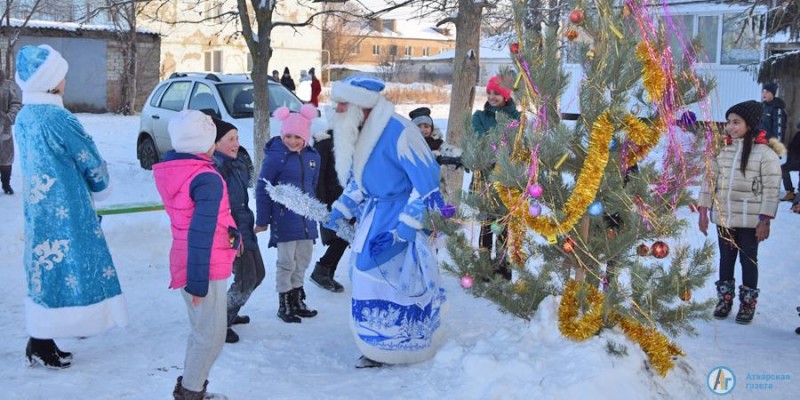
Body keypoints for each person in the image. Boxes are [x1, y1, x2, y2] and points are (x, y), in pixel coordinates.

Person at [13, 44, 128, 369]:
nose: (66, 80)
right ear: (51, 80)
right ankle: (43, 339)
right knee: (75, 265)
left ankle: (41, 339)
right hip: (67, 204)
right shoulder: (59, 118)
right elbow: (88, 157)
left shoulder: (25, 116)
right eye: (62, 75)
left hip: (38, 206)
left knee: (45, 268)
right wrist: (101, 185)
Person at [324, 75, 447, 368]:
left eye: (343, 104)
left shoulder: (401, 132)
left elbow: (427, 185)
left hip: (400, 214)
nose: (337, 111)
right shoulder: (360, 130)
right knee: (363, 272)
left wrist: (406, 227)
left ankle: (403, 342)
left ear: (361, 106)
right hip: (375, 213)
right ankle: (376, 343)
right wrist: (343, 207)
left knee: (389, 275)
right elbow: (360, 179)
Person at [152, 110, 239, 399]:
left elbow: (205, 221)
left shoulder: (177, 169)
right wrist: (198, 281)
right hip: (202, 266)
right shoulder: (205, 178)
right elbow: (200, 233)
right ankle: (191, 392)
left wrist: (232, 234)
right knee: (211, 337)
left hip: (190, 259)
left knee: (202, 332)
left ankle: (191, 387)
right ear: (205, 144)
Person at [698, 100, 782, 325]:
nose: (730, 127)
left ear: (750, 124)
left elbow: (772, 188)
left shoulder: (765, 154)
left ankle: (747, 303)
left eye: (736, 122)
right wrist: (704, 211)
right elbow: (709, 182)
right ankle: (725, 300)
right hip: (724, 218)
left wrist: (765, 220)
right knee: (726, 260)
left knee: (748, 260)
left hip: (750, 221)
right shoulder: (723, 151)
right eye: (728, 122)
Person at [255, 104, 320, 323]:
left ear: (306, 136)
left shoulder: (313, 157)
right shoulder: (276, 157)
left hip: (307, 218)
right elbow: (263, 188)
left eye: (297, 136)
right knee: (286, 262)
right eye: (288, 136)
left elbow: (313, 184)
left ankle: (297, 298)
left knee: (303, 259)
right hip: (284, 218)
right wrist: (263, 220)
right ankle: (284, 302)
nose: (292, 141)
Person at [211, 118, 265, 344]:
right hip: (232, 234)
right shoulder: (216, 169)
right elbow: (220, 210)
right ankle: (218, 323)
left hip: (244, 228)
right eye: (230, 139)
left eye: (237, 138)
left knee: (258, 274)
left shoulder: (236, 164)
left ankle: (229, 312)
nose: (236, 143)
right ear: (214, 143)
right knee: (246, 279)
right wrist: (233, 236)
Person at [470, 75, 521, 281]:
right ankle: (484, 264)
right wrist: (500, 144)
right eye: (489, 92)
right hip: (485, 175)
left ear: (506, 95)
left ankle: (502, 263)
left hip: (506, 176)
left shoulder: (516, 118)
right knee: (486, 221)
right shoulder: (479, 117)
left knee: (504, 220)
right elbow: (480, 140)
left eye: (496, 93)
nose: (492, 97)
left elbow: (517, 144)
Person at [310, 127, 346, 293]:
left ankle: (328, 272)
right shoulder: (325, 143)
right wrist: (321, 203)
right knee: (339, 236)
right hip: (330, 199)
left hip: (346, 198)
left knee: (345, 236)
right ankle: (322, 269)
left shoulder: (351, 141)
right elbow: (318, 175)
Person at [0, 69, 21, 195]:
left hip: (3, 129)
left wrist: (9, 117)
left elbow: (16, 103)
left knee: (5, 159)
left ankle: (6, 184)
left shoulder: (8, 85)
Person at [779, 122, 800, 202]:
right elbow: (793, 147)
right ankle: (790, 192)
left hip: (796, 160)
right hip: (794, 160)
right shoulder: (798, 135)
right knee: (783, 169)